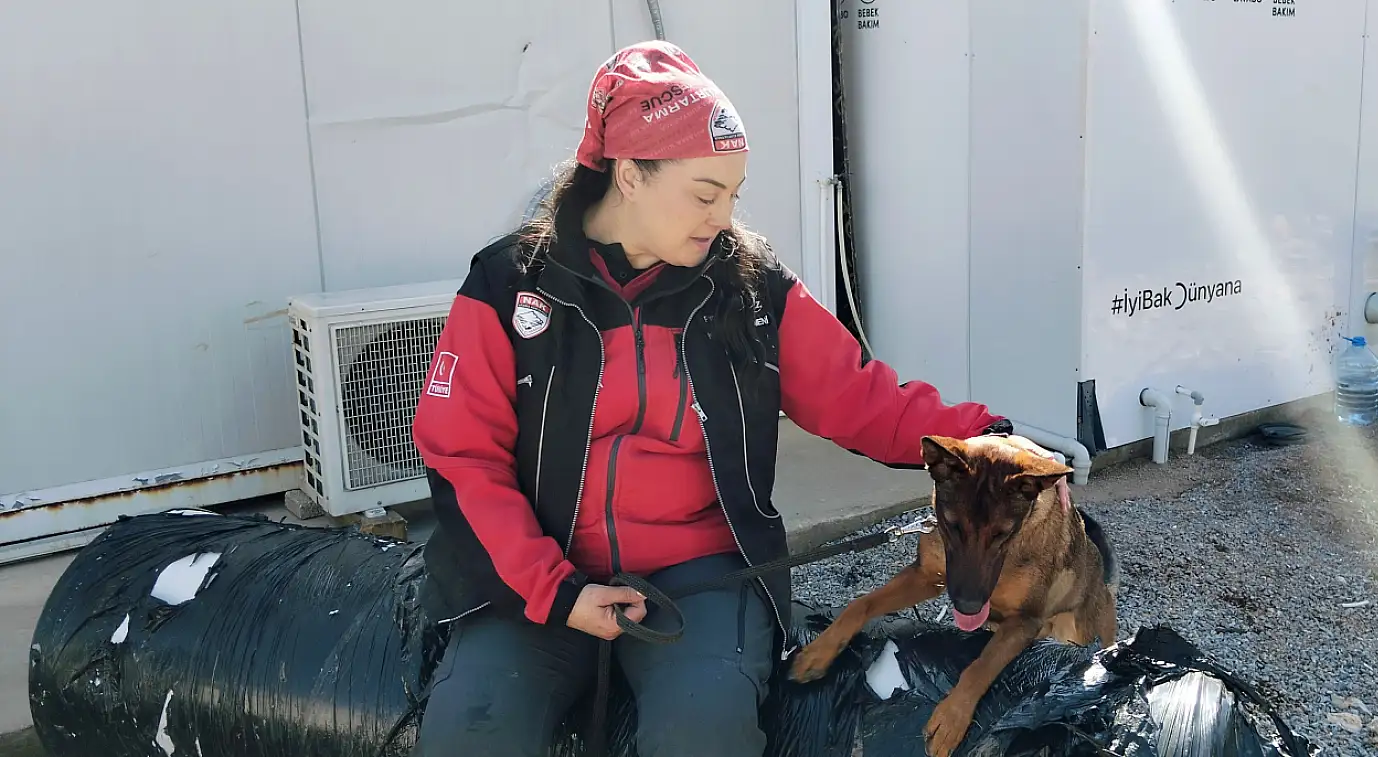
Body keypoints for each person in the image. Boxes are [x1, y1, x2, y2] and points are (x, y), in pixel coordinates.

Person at [408, 40, 1013, 757]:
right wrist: (557, 589)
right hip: (533, 577)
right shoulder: (510, 285)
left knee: (705, 732)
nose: (723, 218)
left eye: (733, 193)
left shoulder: (749, 290)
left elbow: (860, 397)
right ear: (629, 175)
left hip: (703, 575)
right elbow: (462, 454)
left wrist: (986, 442)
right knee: (471, 731)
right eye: (704, 194)